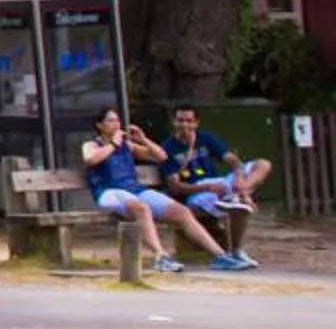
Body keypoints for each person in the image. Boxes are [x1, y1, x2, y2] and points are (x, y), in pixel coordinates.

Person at [81, 108, 251, 273]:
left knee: (181, 211)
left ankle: (221, 256)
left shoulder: (127, 145)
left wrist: (143, 139)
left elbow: (160, 156)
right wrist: (113, 144)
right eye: (110, 121)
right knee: (141, 208)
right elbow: (90, 159)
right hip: (108, 192)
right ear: (99, 125)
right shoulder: (91, 144)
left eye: (117, 120)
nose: (116, 124)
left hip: (134, 189)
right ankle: (161, 257)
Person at [156, 106, 270, 257]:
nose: (185, 125)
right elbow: (175, 187)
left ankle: (241, 193)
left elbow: (233, 161)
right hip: (196, 193)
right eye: (180, 121)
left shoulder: (206, 138)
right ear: (174, 122)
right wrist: (207, 187)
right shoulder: (167, 148)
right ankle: (235, 251)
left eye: (189, 121)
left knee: (263, 164)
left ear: (196, 123)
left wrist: (240, 180)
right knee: (238, 207)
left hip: (220, 184)